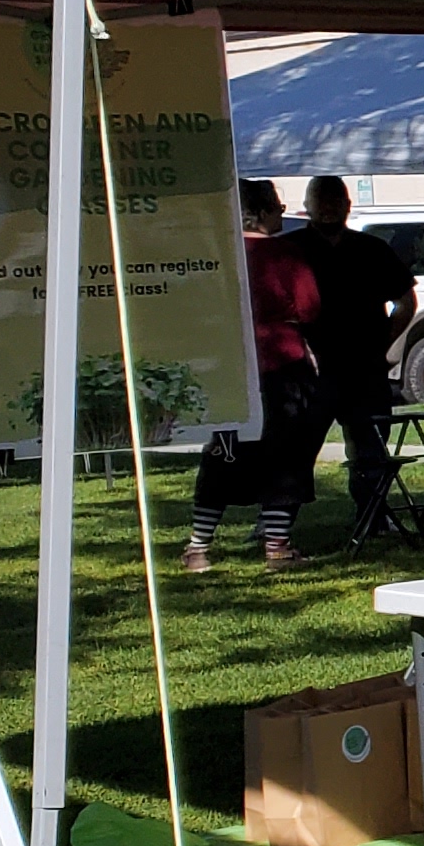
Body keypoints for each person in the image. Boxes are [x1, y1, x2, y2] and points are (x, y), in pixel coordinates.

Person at [185, 182, 324, 571]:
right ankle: (277, 546)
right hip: (282, 363)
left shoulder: (220, 255)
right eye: (278, 207)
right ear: (262, 213)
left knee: (222, 453)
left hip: (230, 364)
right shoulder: (283, 254)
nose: (282, 213)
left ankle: (199, 547)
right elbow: (310, 307)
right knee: (287, 455)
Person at [286, 175, 414, 536]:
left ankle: (373, 519)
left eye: (335, 200)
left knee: (370, 451)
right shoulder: (290, 250)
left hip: (364, 369)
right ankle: (276, 526)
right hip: (308, 371)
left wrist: (385, 341)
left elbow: (406, 302)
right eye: (320, 201)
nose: (328, 208)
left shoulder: (372, 248)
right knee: (296, 450)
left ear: (348, 204)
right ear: (306, 206)